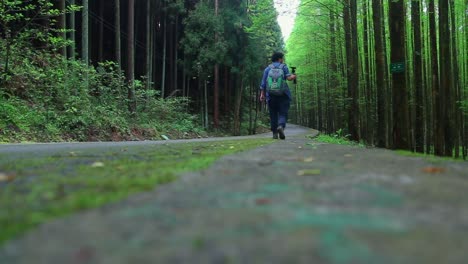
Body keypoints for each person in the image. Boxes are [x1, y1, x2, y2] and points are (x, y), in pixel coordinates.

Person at [260, 52, 297, 140]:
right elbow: (289, 78)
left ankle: (274, 134)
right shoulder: (283, 67)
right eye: (282, 58)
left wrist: (262, 94)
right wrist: (294, 76)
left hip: (271, 95)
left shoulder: (267, 69)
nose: (283, 60)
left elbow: (263, 83)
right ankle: (281, 126)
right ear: (279, 59)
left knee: (273, 114)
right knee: (283, 113)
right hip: (283, 94)